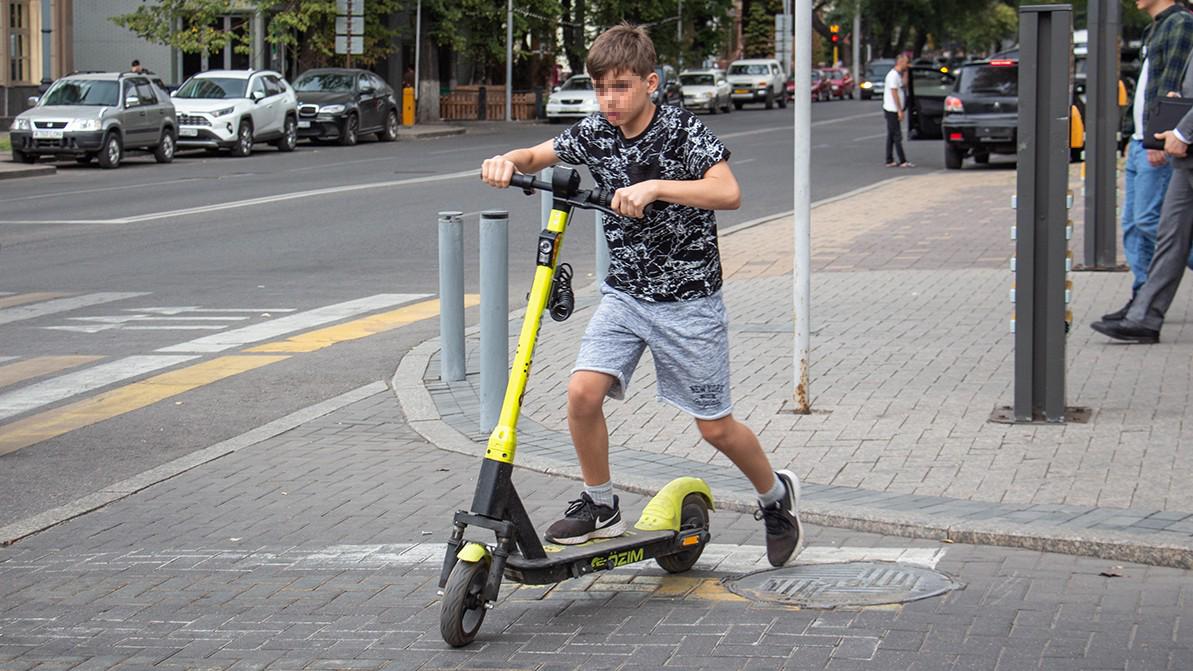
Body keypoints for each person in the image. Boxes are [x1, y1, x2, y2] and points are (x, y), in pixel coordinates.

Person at [479, 22, 803, 567]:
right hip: (625, 296)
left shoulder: (680, 131)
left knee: (715, 427)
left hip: (689, 303)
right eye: (600, 87)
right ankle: (601, 505)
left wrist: (655, 187)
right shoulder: (596, 131)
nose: (609, 99)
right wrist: (507, 161)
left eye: (621, 86)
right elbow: (539, 155)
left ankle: (775, 499)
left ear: (650, 82)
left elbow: (729, 192)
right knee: (582, 394)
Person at [1092, 46, 1193, 344]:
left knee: (1167, 235)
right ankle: (1144, 318)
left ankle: (1143, 316)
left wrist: (1185, 131)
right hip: (1186, 159)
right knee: (1169, 237)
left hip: (1186, 144)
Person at [883, 54, 913, 168]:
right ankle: (903, 160)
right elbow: (894, 93)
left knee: (891, 135)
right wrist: (900, 110)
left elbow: (904, 85)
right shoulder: (892, 76)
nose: (908, 64)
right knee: (897, 135)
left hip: (894, 109)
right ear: (900, 62)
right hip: (892, 109)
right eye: (906, 63)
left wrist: (906, 72)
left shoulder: (899, 75)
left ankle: (889, 159)